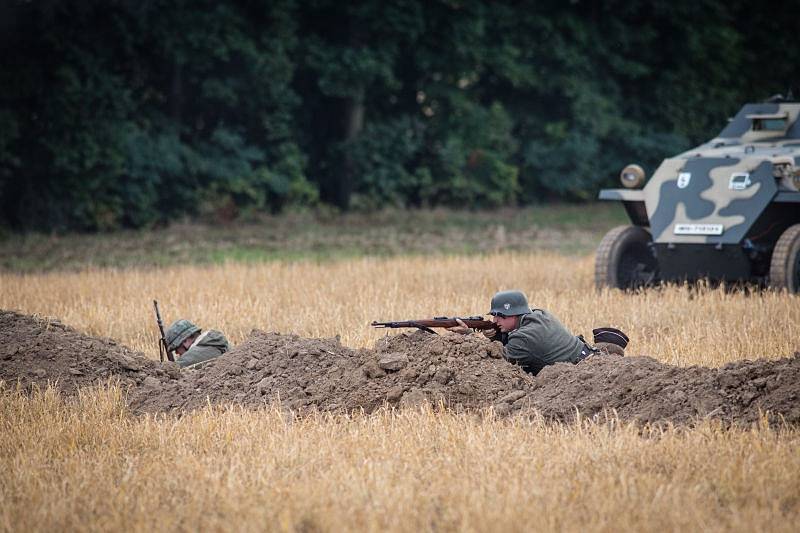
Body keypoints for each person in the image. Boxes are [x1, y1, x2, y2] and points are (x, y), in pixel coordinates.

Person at [451, 290, 628, 375]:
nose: (495, 320)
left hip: (582, 375)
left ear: (516, 314)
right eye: (494, 315)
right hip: (588, 356)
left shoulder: (525, 338)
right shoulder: (538, 314)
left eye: (501, 315)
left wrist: (468, 338)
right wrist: (497, 335)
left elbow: (495, 364)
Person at [164, 319, 230, 368]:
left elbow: (172, 369)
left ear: (185, 341)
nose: (176, 353)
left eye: (176, 348)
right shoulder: (217, 342)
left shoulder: (192, 356)